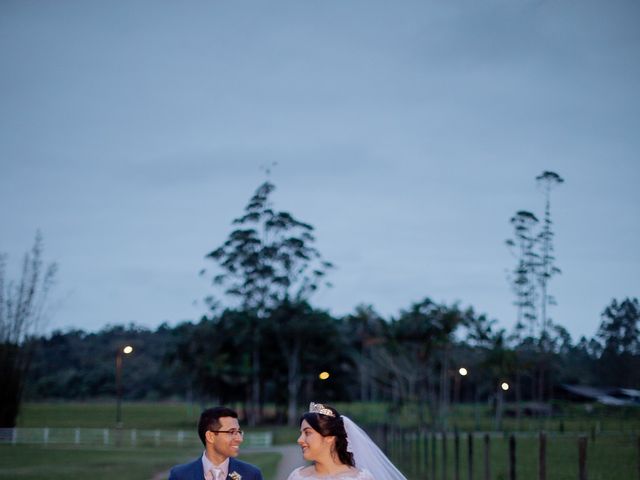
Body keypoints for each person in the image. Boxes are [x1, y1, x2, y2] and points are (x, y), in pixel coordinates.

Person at [287, 402, 407, 480]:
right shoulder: (297, 476)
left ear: (330, 437)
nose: (300, 440)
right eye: (301, 433)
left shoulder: (361, 478)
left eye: (307, 433)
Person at [168, 406, 264, 480]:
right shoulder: (180, 476)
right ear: (210, 436)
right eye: (231, 432)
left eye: (239, 432)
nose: (240, 439)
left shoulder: (251, 475)